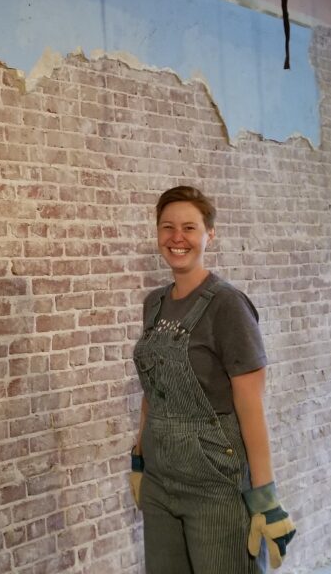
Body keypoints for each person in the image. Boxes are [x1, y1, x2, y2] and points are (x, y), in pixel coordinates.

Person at [129, 186, 295, 572]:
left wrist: (264, 497)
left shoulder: (227, 305)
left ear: (209, 235)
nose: (177, 237)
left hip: (215, 487)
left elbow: (251, 406)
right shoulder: (154, 303)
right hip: (159, 482)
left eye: (189, 227)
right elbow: (153, 391)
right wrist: (140, 458)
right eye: (167, 227)